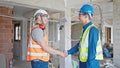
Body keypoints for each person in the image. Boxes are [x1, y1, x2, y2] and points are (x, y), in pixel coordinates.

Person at [64, 4, 103, 68]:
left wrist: (89, 65)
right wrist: (68, 52)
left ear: (86, 16)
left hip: (91, 64)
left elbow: (92, 52)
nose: (78, 17)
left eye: (80, 15)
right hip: (83, 62)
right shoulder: (85, 29)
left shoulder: (93, 30)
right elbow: (80, 45)